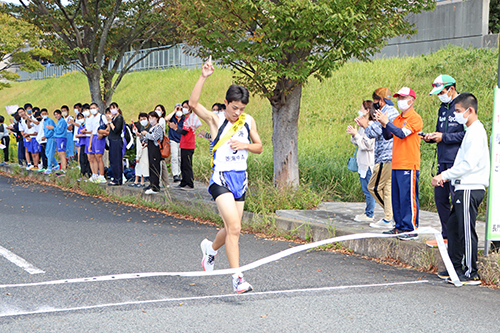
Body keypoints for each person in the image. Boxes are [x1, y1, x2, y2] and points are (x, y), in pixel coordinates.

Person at [191, 57, 263, 293]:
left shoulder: (248, 121)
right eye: (234, 108)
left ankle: (210, 250)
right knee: (233, 228)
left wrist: (244, 146)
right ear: (225, 104)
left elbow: (259, 146)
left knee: (234, 227)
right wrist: (204, 76)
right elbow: (193, 103)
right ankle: (237, 278)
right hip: (220, 179)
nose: (237, 112)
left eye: (241, 108)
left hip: (240, 179)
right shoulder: (216, 119)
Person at [432, 93, 489, 285]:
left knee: (466, 230)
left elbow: (469, 164)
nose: (455, 115)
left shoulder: (476, 132)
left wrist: (444, 175)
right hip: (462, 187)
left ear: (469, 110)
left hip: (470, 188)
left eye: (457, 111)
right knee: (455, 227)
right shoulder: (470, 131)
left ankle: (472, 271)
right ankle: (454, 267)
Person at [423, 75, 465, 248]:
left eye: (442, 92)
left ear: (451, 88)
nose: (440, 95)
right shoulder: (442, 108)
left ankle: (459, 238)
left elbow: (466, 134)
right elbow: (440, 132)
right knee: (440, 198)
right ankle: (446, 235)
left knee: (457, 200)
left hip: (457, 161)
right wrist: (432, 137)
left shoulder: (463, 105)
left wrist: (444, 137)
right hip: (442, 159)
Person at [376, 87, 423, 240]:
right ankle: (399, 227)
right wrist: (384, 124)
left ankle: (410, 228)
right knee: (396, 198)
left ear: (412, 100)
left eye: (403, 98)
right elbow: (388, 135)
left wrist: (386, 122)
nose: (400, 101)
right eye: (398, 98)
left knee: (407, 198)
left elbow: (402, 134)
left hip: (409, 164)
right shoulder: (397, 119)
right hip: (396, 163)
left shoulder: (415, 118)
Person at [356, 87, 399, 229]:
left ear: (380, 100)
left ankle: (392, 215)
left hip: (385, 156)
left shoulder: (385, 112)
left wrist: (365, 124)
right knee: (387, 190)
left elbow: (373, 132)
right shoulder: (393, 110)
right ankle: (388, 218)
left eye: (375, 100)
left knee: (373, 187)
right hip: (392, 155)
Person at [347, 101, 376, 222]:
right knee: (366, 189)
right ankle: (368, 212)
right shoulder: (362, 126)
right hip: (362, 162)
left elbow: (367, 145)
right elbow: (357, 142)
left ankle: (369, 214)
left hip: (368, 163)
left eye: (361, 108)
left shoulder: (371, 126)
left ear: (367, 111)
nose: (359, 110)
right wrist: (354, 134)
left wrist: (357, 136)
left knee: (369, 190)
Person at [169, 100, 201, 189]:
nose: (184, 109)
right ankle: (184, 182)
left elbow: (184, 131)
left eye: (186, 107)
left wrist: (175, 129)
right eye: (183, 107)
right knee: (183, 164)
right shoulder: (186, 118)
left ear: (190, 108)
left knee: (187, 165)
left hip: (188, 144)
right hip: (183, 144)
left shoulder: (191, 118)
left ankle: (190, 183)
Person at [136, 111, 164, 194]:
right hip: (151, 149)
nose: (151, 120)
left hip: (156, 149)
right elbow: (148, 138)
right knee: (151, 167)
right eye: (150, 118)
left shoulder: (158, 127)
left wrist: (146, 134)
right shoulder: (152, 127)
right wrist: (142, 138)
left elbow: (155, 137)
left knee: (155, 167)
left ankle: (155, 187)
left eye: (152, 118)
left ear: (157, 118)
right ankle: (152, 184)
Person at [86, 103, 107, 183]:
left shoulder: (101, 116)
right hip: (94, 137)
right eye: (91, 108)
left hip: (99, 137)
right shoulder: (92, 119)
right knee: (93, 157)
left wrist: (102, 133)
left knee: (99, 157)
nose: (92, 109)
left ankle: (102, 175)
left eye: (94, 108)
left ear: (97, 108)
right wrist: (90, 144)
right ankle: (95, 174)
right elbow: (92, 132)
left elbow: (107, 126)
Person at [129, 113, 150, 187]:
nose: (142, 120)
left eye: (144, 119)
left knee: (143, 166)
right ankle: (136, 181)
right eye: (141, 119)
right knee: (138, 166)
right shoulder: (141, 129)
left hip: (145, 150)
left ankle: (142, 181)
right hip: (139, 151)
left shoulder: (149, 128)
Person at [107, 102, 124, 186]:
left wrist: (110, 122)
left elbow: (116, 130)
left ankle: (118, 179)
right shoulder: (114, 118)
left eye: (114, 108)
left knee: (117, 160)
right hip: (112, 140)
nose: (112, 110)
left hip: (116, 140)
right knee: (112, 160)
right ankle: (115, 177)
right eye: (111, 108)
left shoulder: (119, 118)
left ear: (117, 108)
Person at [167, 103, 184, 182]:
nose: (179, 111)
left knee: (180, 157)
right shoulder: (172, 118)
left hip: (182, 140)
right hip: (173, 139)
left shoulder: (184, 118)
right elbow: (166, 119)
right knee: (174, 156)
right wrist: (174, 111)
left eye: (181, 109)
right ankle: (175, 174)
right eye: (178, 109)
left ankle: (179, 173)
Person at [154, 104, 170, 188]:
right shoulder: (158, 120)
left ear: (162, 112)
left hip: (160, 143)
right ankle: (165, 182)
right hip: (158, 143)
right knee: (162, 162)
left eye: (159, 109)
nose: (157, 110)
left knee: (161, 162)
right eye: (156, 109)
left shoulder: (161, 120)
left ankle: (162, 181)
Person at [41, 109, 59, 174]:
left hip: (52, 138)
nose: (44, 115)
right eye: (42, 114)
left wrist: (46, 136)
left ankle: (50, 168)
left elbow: (52, 130)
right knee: (47, 152)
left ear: (47, 114)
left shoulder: (50, 121)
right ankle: (56, 164)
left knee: (50, 153)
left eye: (45, 113)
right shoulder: (44, 121)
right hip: (48, 138)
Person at [75, 112, 91, 179]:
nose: (80, 119)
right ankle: (82, 173)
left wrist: (81, 135)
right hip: (81, 143)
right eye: (78, 118)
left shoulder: (86, 125)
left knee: (86, 159)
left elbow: (88, 134)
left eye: (81, 118)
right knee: (82, 160)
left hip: (86, 143)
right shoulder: (80, 126)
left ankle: (88, 173)